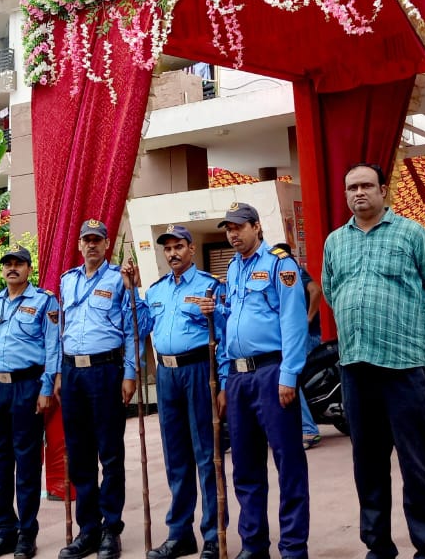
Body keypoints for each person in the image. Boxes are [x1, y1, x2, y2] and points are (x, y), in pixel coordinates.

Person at [322, 163, 425, 559]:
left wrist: (405, 326)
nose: (358, 193)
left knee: (418, 461)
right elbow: (331, 292)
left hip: (404, 366)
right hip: (356, 365)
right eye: (351, 188)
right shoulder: (334, 242)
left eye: (366, 186)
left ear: (383, 190)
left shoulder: (412, 234)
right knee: (368, 463)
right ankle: (377, 546)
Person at [121, 225, 224, 559]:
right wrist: (133, 290)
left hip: (199, 371)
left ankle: (212, 534)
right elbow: (139, 325)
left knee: (206, 455)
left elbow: (223, 332)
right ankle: (180, 533)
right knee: (175, 456)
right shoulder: (157, 290)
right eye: (167, 249)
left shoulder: (209, 286)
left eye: (178, 246)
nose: (173, 254)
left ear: (191, 249)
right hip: (166, 375)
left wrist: (221, 381)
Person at [216, 202, 309, 559]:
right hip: (239, 377)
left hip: (272, 373)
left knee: (288, 463)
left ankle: (293, 547)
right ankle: (254, 545)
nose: (233, 234)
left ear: (257, 227)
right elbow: (228, 328)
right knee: (245, 465)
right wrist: (225, 378)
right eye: (228, 229)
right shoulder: (233, 270)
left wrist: (289, 375)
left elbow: (293, 321)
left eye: (239, 227)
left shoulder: (279, 264)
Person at [58, 219, 144, 559]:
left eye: (98, 240)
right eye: (86, 240)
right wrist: (58, 372)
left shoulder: (118, 279)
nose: (91, 245)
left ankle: (111, 528)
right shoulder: (67, 282)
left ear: (106, 245)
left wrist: (130, 372)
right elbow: (60, 329)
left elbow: (133, 328)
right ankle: (88, 529)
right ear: (80, 245)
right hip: (72, 373)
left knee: (109, 453)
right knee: (79, 454)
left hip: (105, 371)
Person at [0, 245, 61, 559]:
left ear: (29, 269)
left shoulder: (45, 301)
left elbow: (53, 349)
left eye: (18, 263)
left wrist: (46, 388)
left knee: (26, 462)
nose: (12, 268)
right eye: (7, 264)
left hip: (27, 387)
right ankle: (3, 531)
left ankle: (26, 534)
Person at [269, 242, 323, 450]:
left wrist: (307, 319)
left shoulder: (293, 269)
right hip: (291, 337)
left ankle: (308, 429)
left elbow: (316, 290)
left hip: (305, 337)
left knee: (290, 378)